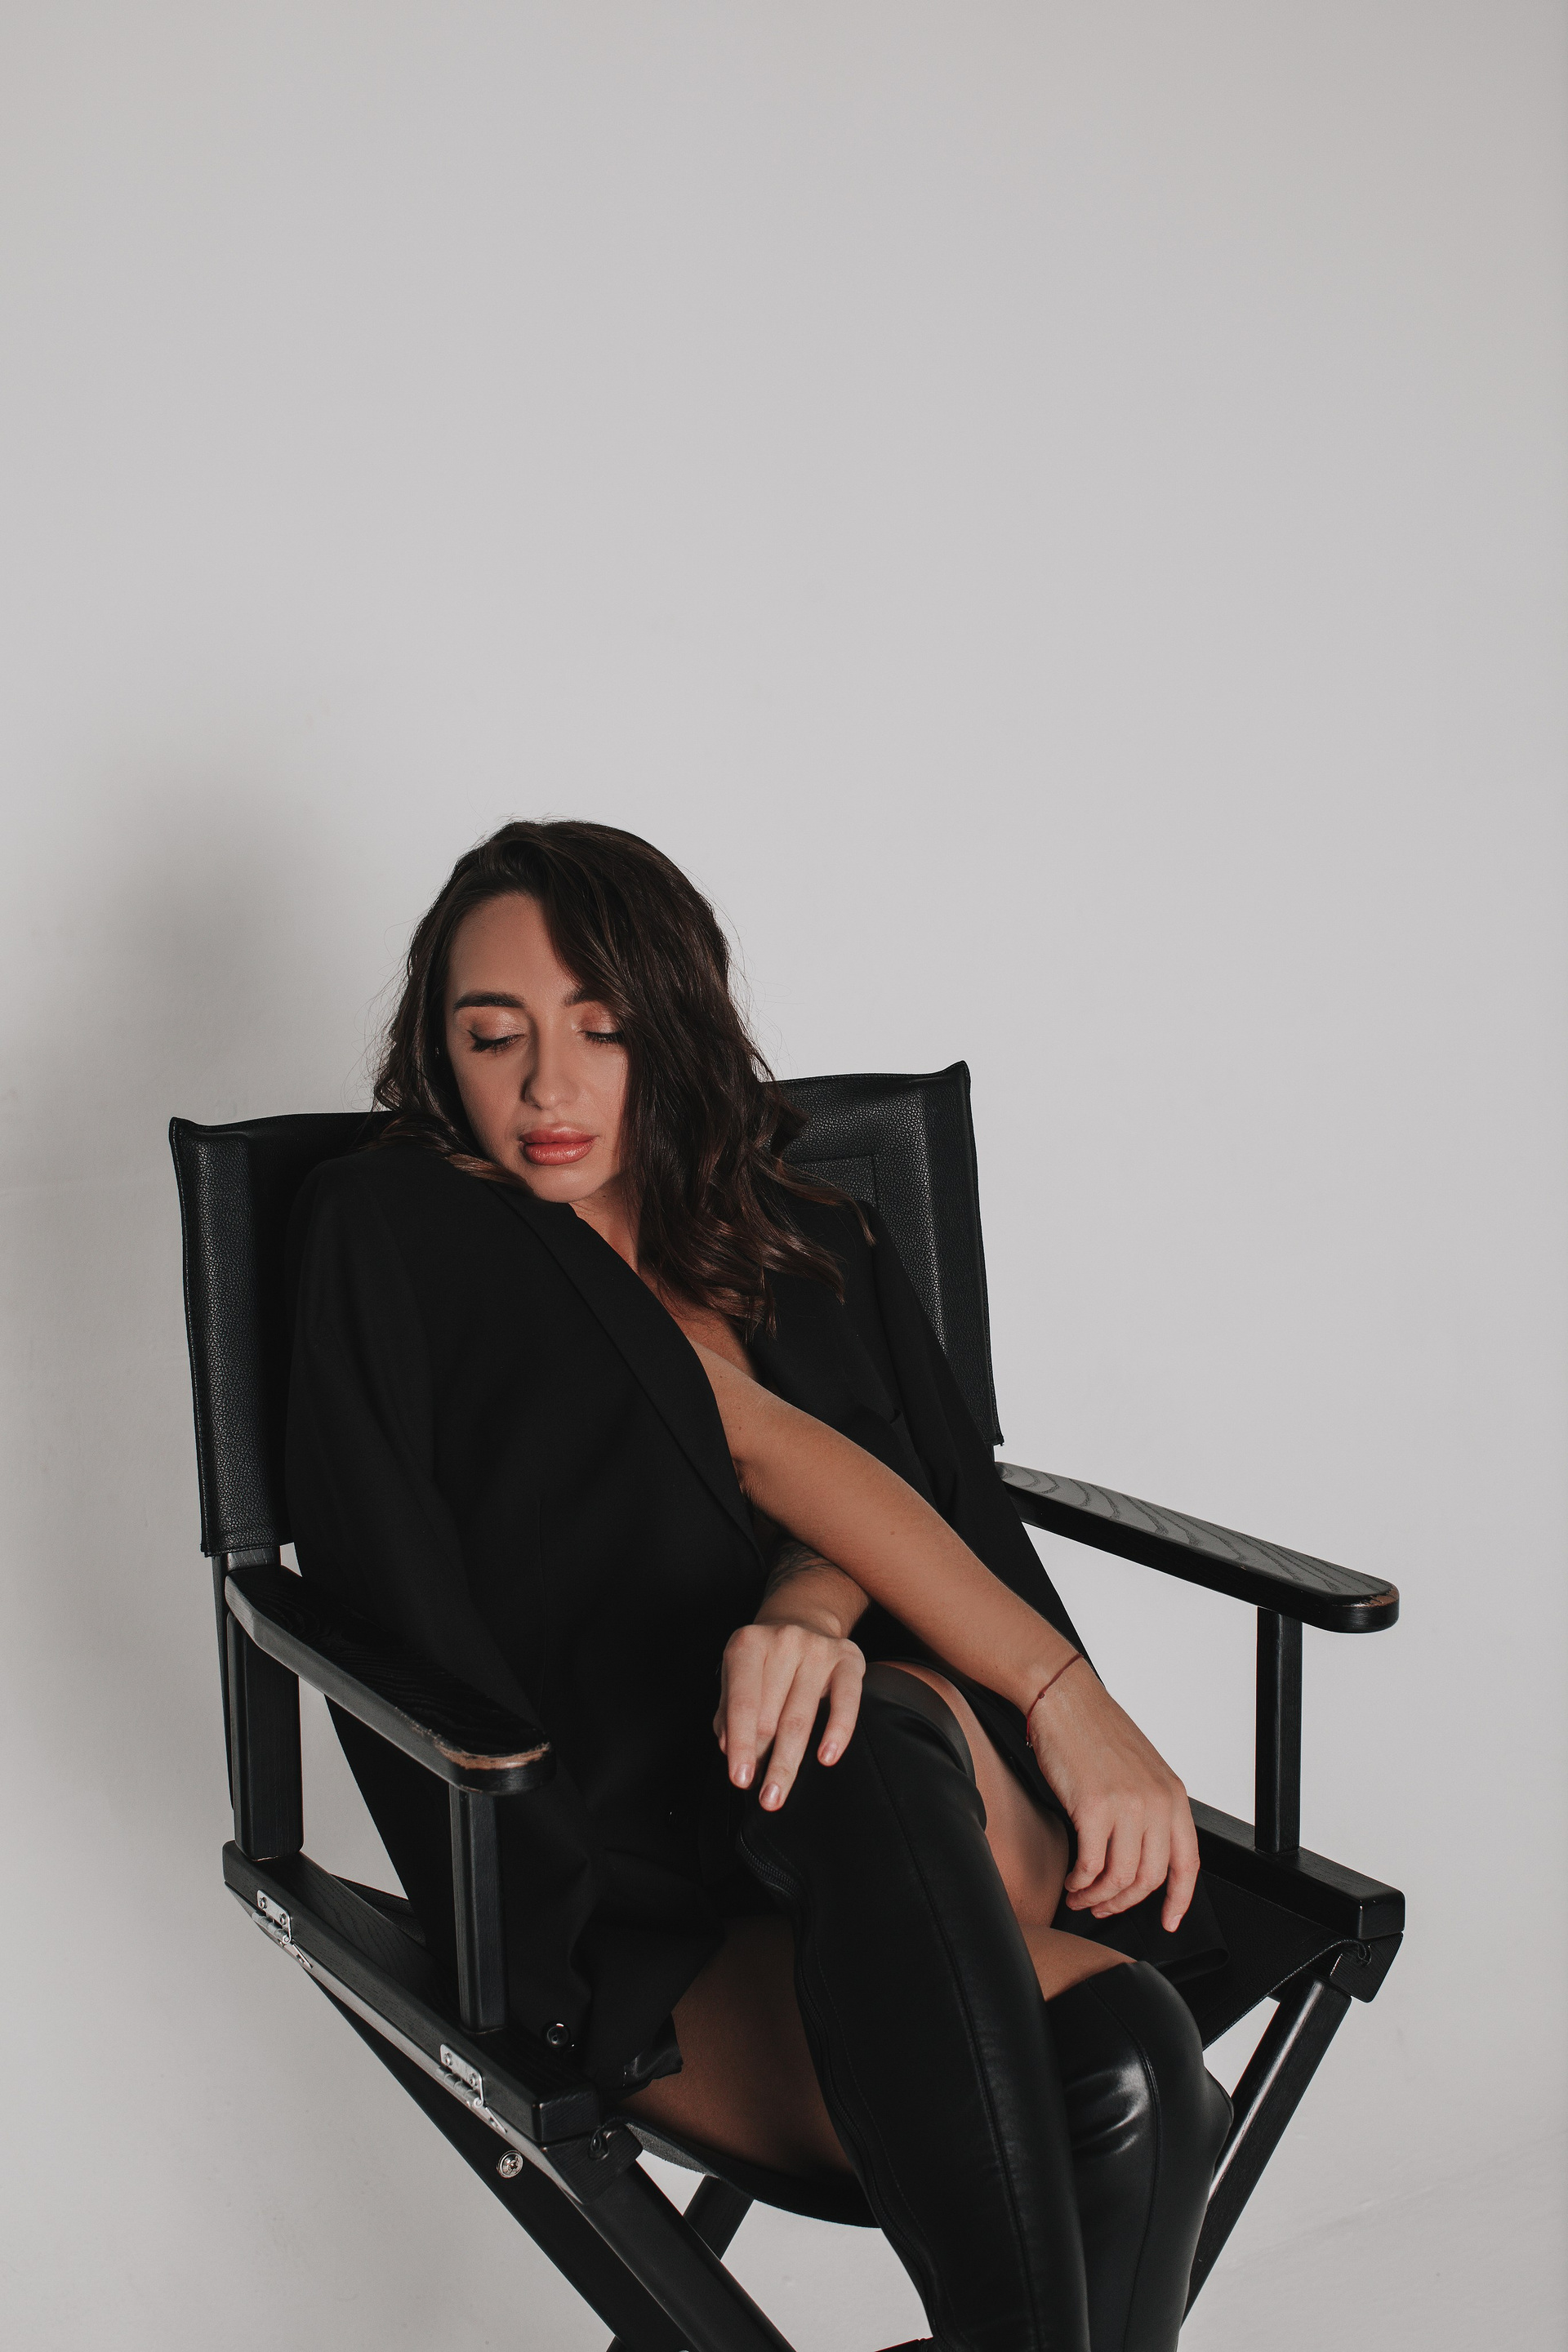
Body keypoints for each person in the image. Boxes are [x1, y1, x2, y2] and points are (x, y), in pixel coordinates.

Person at [285, 819, 1232, 2352]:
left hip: (940, 1825)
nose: (547, 1088)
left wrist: (808, 1606)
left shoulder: (802, 1227)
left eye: (601, 1028)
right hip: (648, 1890)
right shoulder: (413, 1226)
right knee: (1124, 2061)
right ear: (436, 1051)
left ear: (673, 1027)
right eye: (492, 1035)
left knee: (860, 1727)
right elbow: (751, 1442)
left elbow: (879, 1481)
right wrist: (1068, 1694)